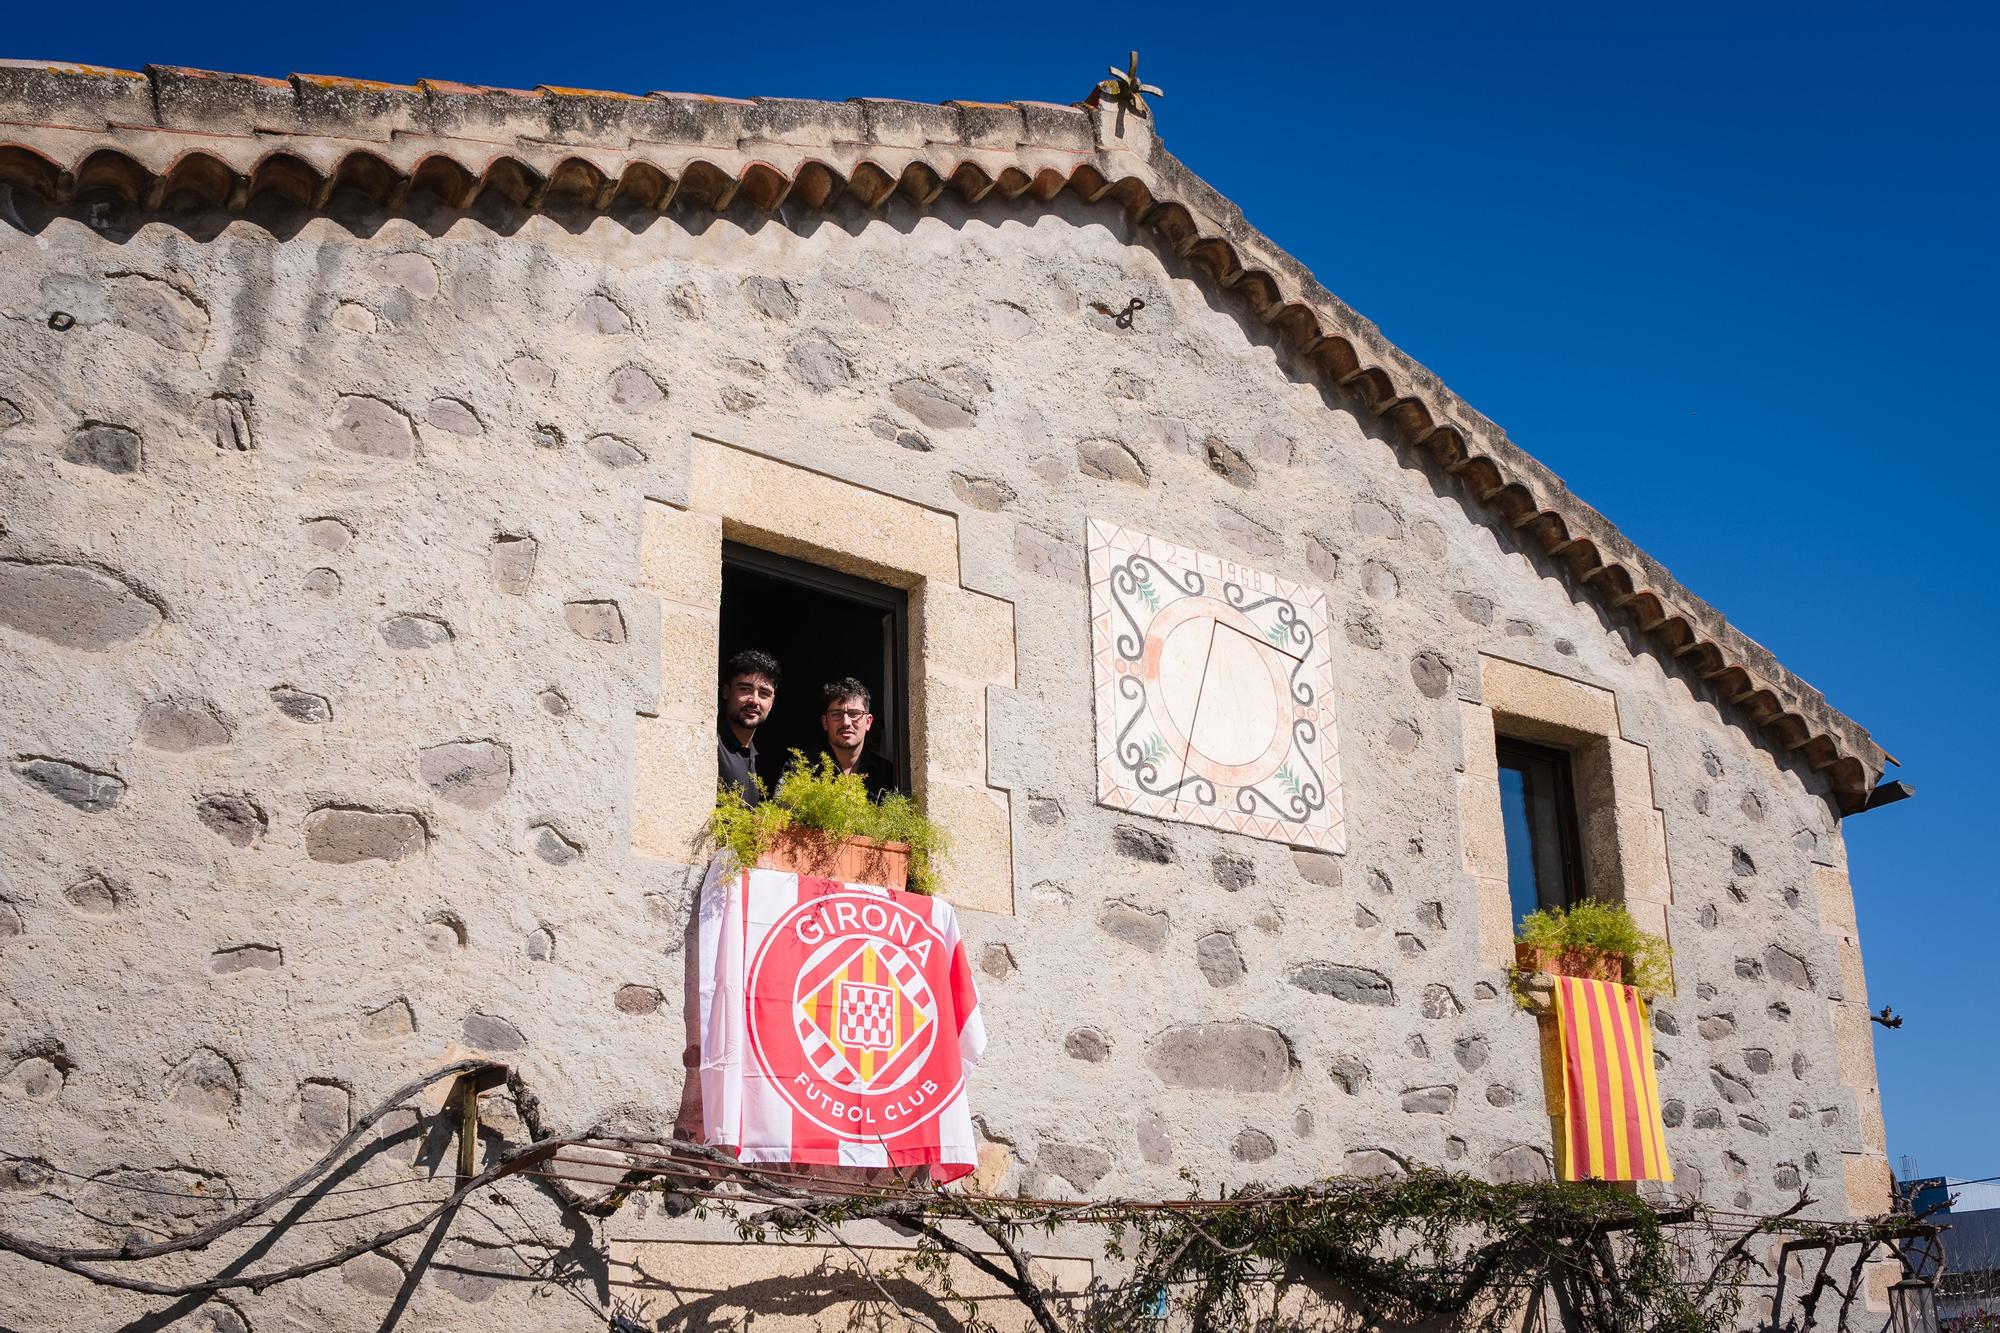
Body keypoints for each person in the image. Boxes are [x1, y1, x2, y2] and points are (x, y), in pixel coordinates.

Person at [817, 677, 896, 801]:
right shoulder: (801, 768)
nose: (846, 723)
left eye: (854, 714)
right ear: (825, 722)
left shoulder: (887, 774)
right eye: (837, 714)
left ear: (868, 722)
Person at [717, 649, 780, 805]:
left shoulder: (761, 759)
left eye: (764, 693)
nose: (755, 700)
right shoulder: (712, 745)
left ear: (772, 702)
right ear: (726, 692)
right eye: (745, 689)